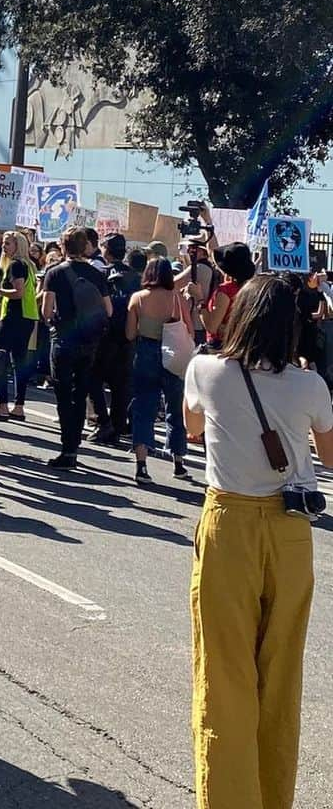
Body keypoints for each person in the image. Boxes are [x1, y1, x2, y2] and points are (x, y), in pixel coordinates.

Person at [184, 274, 333, 809]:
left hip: (229, 523)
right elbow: (331, 456)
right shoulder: (309, 385)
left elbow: (193, 429)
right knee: (281, 671)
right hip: (292, 530)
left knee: (225, 675)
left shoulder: (206, 369)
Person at [40, 226, 112, 470]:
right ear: (86, 247)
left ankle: (67, 447)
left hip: (62, 339)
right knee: (81, 392)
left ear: (63, 246)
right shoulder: (97, 274)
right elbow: (109, 310)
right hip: (89, 341)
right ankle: (74, 448)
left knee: (62, 394)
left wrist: (52, 320)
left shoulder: (55, 273)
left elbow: (46, 310)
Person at [125, 257, 192, 484]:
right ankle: (178, 462)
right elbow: (190, 329)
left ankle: (141, 466)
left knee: (144, 408)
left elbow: (129, 334)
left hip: (146, 351)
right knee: (175, 407)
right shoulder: (177, 298)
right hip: (173, 354)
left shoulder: (138, 298)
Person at [88, 234, 142, 444]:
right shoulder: (137, 277)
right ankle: (116, 427)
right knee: (121, 384)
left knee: (94, 378)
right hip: (129, 335)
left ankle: (104, 422)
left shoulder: (100, 273)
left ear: (106, 250)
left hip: (106, 334)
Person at [0, 230, 38, 421]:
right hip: (27, 317)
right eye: (4, 243)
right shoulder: (29, 265)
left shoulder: (16, 265)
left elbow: (18, 292)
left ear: (18, 246)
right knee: (20, 362)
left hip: (14, 317)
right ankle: (18, 406)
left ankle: (2, 405)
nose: (3, 246)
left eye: (8, 243)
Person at [192, 241, 256, 350]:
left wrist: (199, 299)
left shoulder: (225, 291)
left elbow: (212, 327)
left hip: (220, 347)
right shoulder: (253, 288)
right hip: (241, 347)